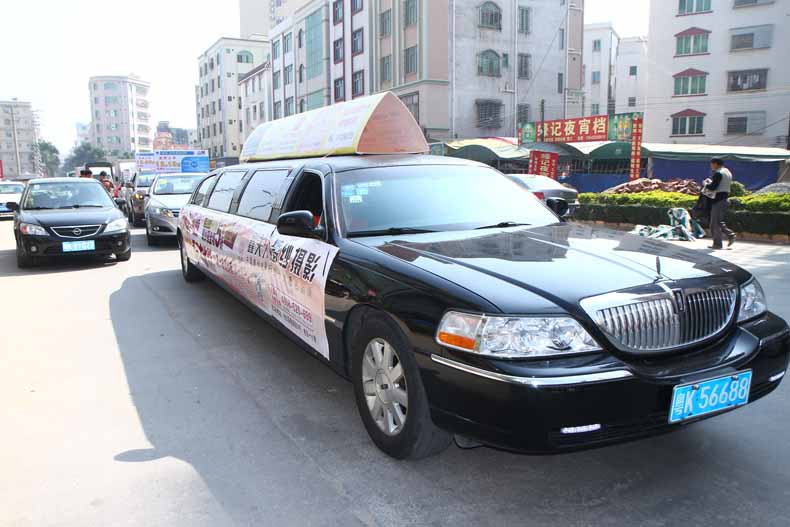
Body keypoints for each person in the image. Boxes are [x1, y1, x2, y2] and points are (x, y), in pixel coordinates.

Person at [703, 158, 736, 250]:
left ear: (716, 164)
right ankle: (730, 235)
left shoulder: (718, 173)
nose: (711, 166)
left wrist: (706, 184)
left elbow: (713, 187)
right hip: (724, 199)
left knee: (714, 224)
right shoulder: (727, 172)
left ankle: (718, 244)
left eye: (712, 164)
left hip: (718, 200)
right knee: (718, 222)